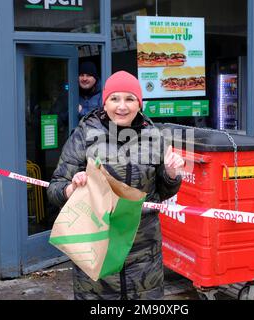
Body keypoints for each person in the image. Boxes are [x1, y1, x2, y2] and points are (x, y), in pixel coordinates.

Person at [47, 71, 185, 300]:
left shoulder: (154, 136)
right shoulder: (84, 134)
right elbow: (55, 189)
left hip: (143, 257)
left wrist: (171, 174)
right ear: (105, 102)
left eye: (130, 99)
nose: (122, 106)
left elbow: (163, 192)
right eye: (115, 99)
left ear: (139, 103)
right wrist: (72, 188)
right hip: (96, 249)